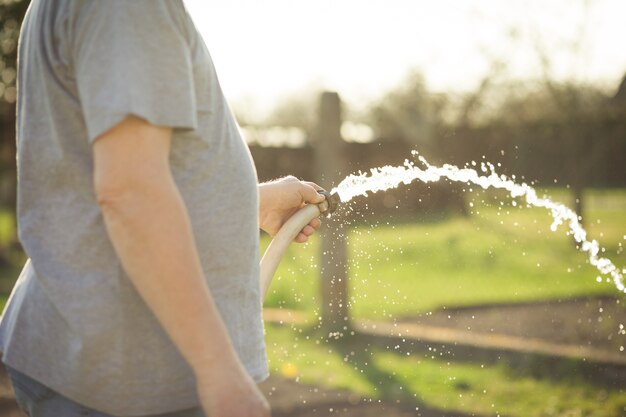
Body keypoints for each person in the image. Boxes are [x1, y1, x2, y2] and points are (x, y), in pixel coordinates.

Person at [0, 1, 325, 416]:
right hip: (132, 378)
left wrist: (251, 204)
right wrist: (219, 372)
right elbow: (131, 193)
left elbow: (117, 178)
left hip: (106, 362)